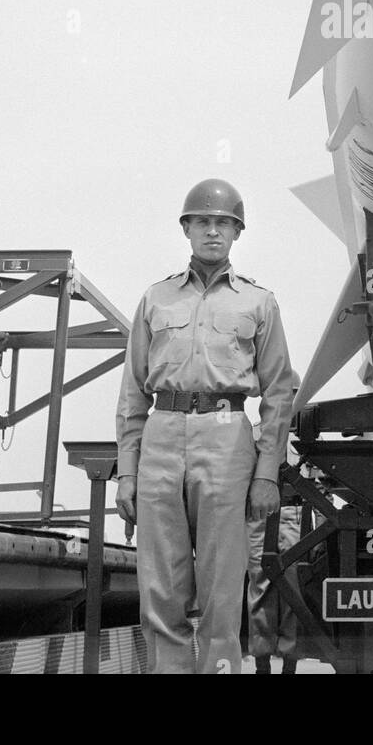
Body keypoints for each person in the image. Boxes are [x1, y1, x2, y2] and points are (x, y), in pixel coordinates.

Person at [115, 179, 294, 674]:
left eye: (223, 223)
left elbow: (279, 392)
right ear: (186, 229)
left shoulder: (258, 302)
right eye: (203, 222)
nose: (213, 231)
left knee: (222, 585)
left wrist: (267, 473)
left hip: (227, 438)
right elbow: (132, 393)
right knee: (160, 585)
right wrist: (127, 472)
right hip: (161, 437)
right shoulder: (155, 299)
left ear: (237, 232)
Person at [246, 370, 303, 675]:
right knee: (260, 584)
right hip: (259, 516)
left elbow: (321, 485)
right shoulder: (252, 435)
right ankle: (262, 662)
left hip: (294, 512)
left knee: (293, 587)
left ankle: (290, 661)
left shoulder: (306, 439)